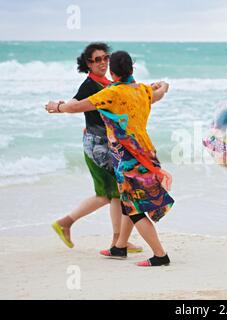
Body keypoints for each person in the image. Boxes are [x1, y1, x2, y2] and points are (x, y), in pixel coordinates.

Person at [46, 51, 174, 267]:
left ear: (113, 73)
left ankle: (160, 255)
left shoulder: (111, 93)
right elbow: (159, 93)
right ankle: (119, 246)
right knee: (127, 203)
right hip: (146, 153)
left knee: (134, 210)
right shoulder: (143, 90)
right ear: (132, 69)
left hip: (127, 159)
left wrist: (56, 107)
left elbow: (76, 106)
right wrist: (163, 85)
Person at [51, 43, 141, 253]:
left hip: (109, 145)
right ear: (88, 64)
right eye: (97, 59)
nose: (102, 62)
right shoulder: (89, 85)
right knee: (110, 194)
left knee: (115, 194)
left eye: (105, 58)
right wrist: (59, 107)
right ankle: (67, 223)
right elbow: (75, 102)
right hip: (97, 147)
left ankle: (118, 241)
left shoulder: (108, 83)